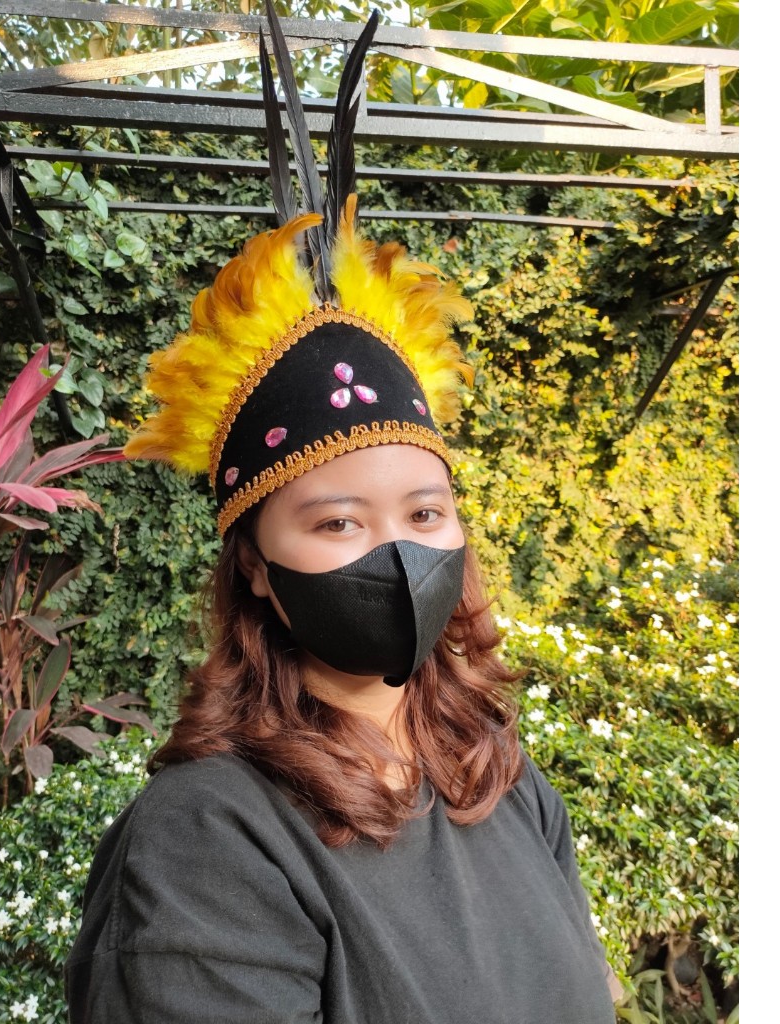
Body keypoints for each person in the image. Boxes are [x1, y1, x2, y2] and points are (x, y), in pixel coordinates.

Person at [65, 8, 622, 1021]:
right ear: (257, 567)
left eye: (425, 511)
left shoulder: (500, 780)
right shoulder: (209, 836)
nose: (399, 554)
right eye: (336, 523)